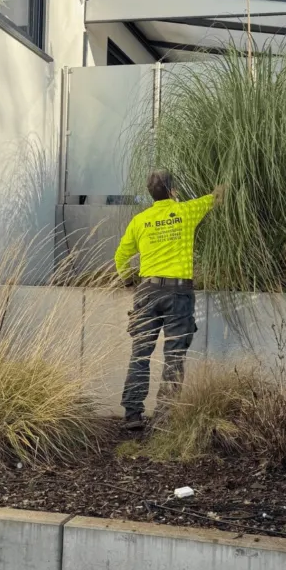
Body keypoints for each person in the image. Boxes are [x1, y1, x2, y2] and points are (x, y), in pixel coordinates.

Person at [114, 170, 224, 429]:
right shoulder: (186, 211)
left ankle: (132, 415)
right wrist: (227, 176)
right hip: (178, 293)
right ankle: (164, 418)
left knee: (140, 353)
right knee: (174, 355)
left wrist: (129, 282)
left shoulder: (140, 220)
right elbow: (217, 197)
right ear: (173, 191)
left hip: (147, 291)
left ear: (151, 194)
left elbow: (120, 257)